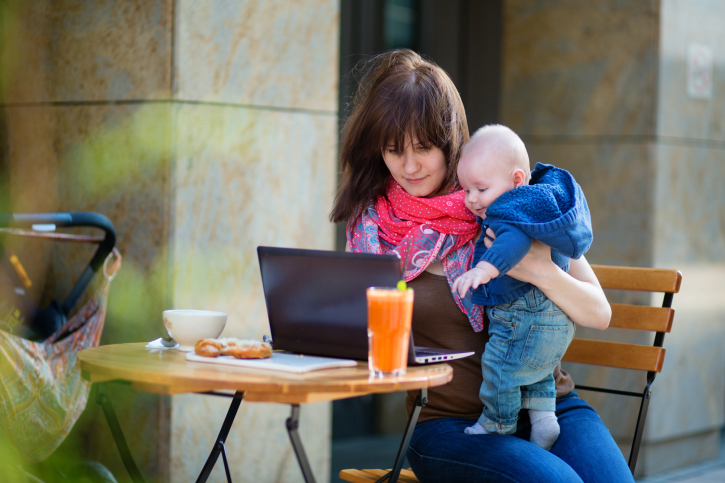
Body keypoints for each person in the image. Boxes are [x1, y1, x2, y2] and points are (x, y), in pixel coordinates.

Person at [331, 49, 633, 482]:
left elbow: (599, 313)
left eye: (423, 148)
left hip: (548, 407)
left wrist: (539, 270)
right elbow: (358, 334)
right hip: (450, 425)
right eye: (394, 150)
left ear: (450, 143)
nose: (410, 166)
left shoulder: (505, 201)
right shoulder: (373, 232)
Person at [451, 125, 592, 450]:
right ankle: (544, 421)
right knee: (537, 374)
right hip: (555, 325)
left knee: (500, 366)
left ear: (517, 180)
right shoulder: (541, 210)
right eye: (466, 190)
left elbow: (512, 241)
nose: (472, 199)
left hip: (523, 316)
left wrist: (484, 268)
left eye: (481, 189)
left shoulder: (510, 210)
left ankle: (497, 423)